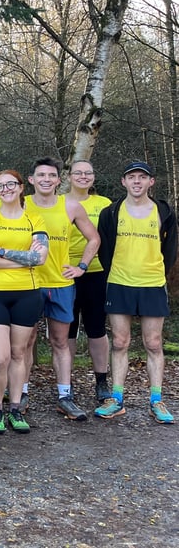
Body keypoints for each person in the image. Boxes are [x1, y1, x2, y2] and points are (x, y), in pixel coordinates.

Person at [95, 161, 177, 424]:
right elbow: (104, 247)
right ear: (124, 182)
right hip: (119, 282)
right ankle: (116, 399)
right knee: (120, 342)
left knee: (153, 343)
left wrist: (158, 274)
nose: (137, 182)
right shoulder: (111, 212)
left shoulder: (163, 211)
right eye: (132, 177)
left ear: (151, 182)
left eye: (143, 177)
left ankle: (157, 400)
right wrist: (114, 272)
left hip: (152, 283)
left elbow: (171, 250)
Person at [26, 157, 100, 421]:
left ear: (59, 180)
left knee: (60, 341)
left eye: (51, 175)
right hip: (29, 283)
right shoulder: (21, 205)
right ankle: (20, 395)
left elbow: (94, 238)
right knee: (26, 342)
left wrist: (81, 266)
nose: (46, 180)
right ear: (31, 180)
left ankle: (64, 396)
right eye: (41, 175)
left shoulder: (71, 205)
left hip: (61, 283)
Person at [0, 169, 48, 435]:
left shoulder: (34, 218)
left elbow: (40, 258)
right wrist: (22, 259)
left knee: (18, 354)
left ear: (20, 188)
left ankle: (15, 409)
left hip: (27, 294)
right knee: (1, 357)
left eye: (9, 185)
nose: (5, 189)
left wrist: (2, 252)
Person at [66, 159, 113, 403]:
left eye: (88, 173)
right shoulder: (61, 203)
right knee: (67, 331)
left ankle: (102, 381)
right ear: (69, 176)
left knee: (96, 328)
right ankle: (67, 383)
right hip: (66, 272)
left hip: (96, 272)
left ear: (94, 177)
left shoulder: (104, 204)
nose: (83, 177)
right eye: (78, 173)